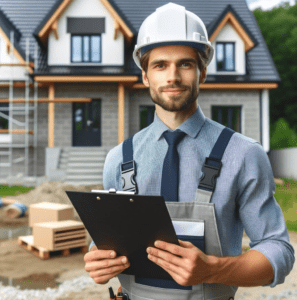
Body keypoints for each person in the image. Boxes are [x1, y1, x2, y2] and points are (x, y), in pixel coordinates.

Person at [84, 3, 295, 300]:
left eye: (184, 64)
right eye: (160, 65)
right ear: (145, 76)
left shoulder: (244, 154)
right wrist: (98, 258)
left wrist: (214, 270)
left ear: (202, 73)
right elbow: (106, 241)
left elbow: (279, 250)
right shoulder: (119, 159)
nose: (172, 77)